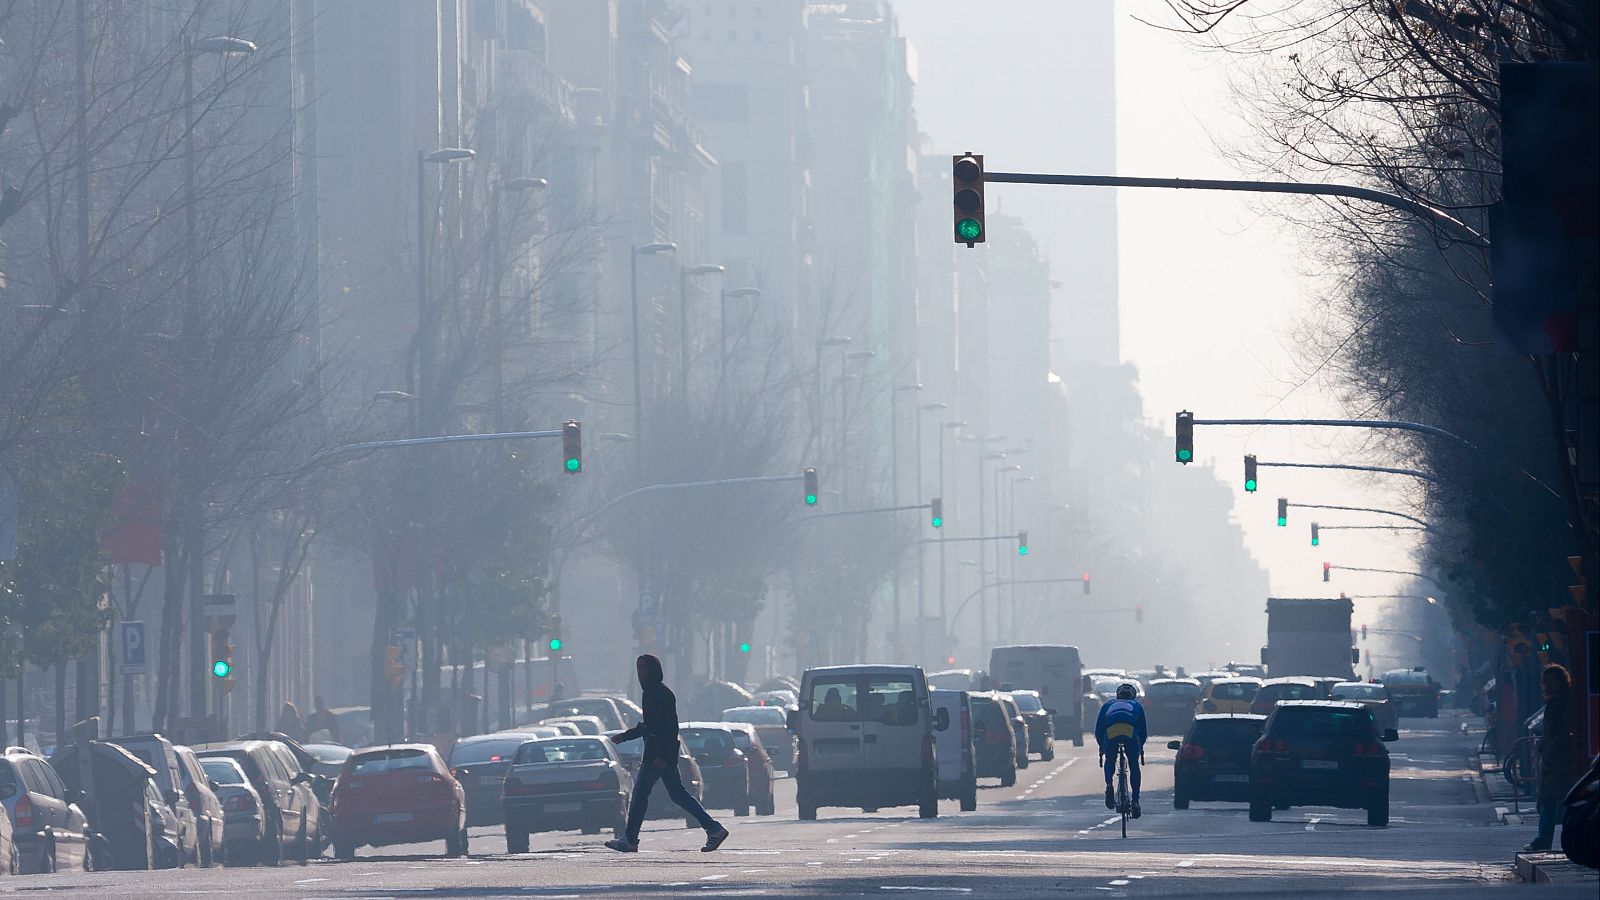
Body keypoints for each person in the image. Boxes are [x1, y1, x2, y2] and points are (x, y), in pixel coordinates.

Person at [606, 654, 729, 853]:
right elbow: (650, 726)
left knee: (640, 794)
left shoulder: (658, 693)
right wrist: (627, 736)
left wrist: (661, 756)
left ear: (653, 670)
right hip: (660, 753)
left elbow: (665, 728)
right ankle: (714, 828)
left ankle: (630, 839)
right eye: (638, 668)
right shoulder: (653, 692)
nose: (640, 673)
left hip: (658, 754)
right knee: (678, 794)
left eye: (644, 668)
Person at [1525, 664, 1573, 852]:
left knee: (1554, 801)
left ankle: (1547, 839)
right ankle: (1544, 839)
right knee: (1548, 800)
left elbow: (1567, 730)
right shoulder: (1553, 702)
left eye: (1551, 680)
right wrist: (1542, 744)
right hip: (1552, 760)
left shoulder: (1565, 702)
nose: (1547, 685)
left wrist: (1551, 746)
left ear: (1562, 680)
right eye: (1545, 681)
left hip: (1563, 760)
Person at [1095, 682, 1148, 818]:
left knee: (1110, 760)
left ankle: (1109, 784)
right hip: (1130, 731)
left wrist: (1102, 747)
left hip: (1111, 731)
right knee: (1133, 766)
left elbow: (1099, 729)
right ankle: (1135, 800)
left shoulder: (1107, 705)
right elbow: (1142, 730)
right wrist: (1139, 749)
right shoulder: (1136, 705)